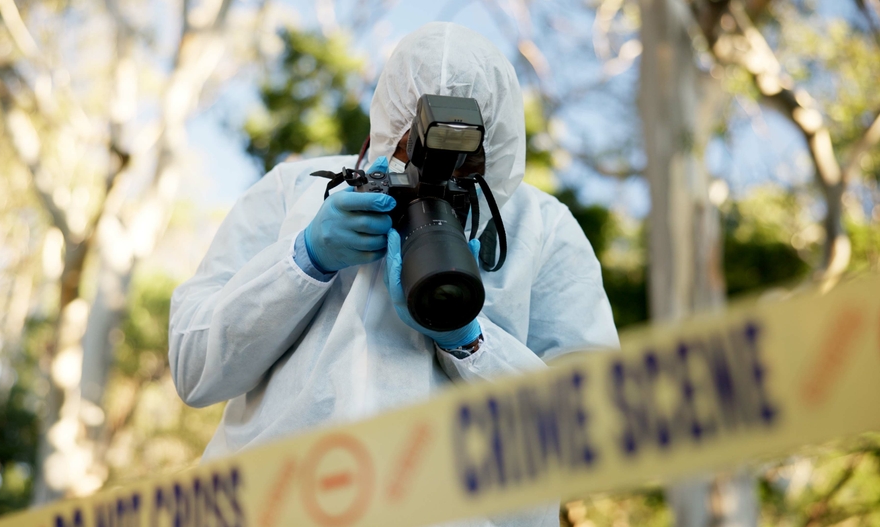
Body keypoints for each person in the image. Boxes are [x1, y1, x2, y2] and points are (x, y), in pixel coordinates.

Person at [169, 22, 619, 527]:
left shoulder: (543, 228)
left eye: (465, 160)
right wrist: (303, 261)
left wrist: (472, 344)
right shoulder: (292, 191)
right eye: (415, 148)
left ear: (500, 146)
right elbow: (191, 368)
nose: (438, 173)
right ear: (385, 125)